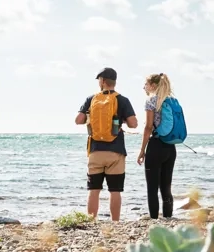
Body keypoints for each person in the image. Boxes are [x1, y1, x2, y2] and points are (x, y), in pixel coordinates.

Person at [75, 67, 137, 222]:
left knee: (93, 190)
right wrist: (120, 120)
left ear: (102, 81)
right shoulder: (122, 100)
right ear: (114, 82)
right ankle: (115, 222)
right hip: (115, 152)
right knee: (115, 190)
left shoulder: (91, 99)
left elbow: (78, 120)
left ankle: (91, 221)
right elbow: (133, 124)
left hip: (95, 151)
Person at [137, 73, 177, 219]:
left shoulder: (151, 101)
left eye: (145, 84)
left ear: (153, 86)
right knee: (166, 187)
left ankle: (154, 220)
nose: (144, 87)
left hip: (155, 146)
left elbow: (148, 127)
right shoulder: (172, 100)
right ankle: (168, 218)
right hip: (170, 147)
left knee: (152, 188)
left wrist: (142, 150)